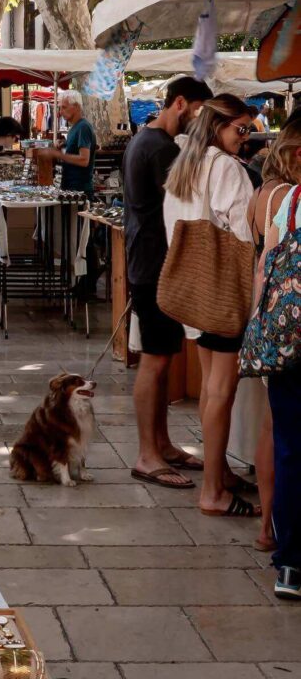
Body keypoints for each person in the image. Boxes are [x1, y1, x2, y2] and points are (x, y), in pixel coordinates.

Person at [163, 94, 258, 518]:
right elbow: (242, 234)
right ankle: (213, 492)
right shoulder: (227, 169)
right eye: (241, 129)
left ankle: (218, 474)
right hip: (225, 290)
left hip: (195, 289)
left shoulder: (186, 163)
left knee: (209, 389)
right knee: (222, 390)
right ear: (219, 126)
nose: (246, 138)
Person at [123, 76, 213, 490]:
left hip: (151, 262)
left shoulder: (147, 141)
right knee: (155, 360)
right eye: (199, 111)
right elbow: (182, 205)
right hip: (154, 265)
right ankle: (147, 454)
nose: (201, 122)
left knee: (161, 359)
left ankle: (161, 444)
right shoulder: (159, 148)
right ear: (181, 103)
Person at [243, 119, 301, 553]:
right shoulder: (287, 198)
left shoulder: (285, 201)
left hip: (283, 336)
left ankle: (283, 548)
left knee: (284, 441)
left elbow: (264, 266)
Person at [256, 178, 301, 598]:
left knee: (291, 450)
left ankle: (291, 562)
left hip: (289, 345)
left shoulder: (291, 199)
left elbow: (266, 266)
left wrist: (260, 334)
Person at [38, 91, 96, 197]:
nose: (60, 112)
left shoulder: (83, 127)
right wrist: (64, 144)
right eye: (60, 108)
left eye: (64, 107)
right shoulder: (74, 127)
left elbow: (84, 160)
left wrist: (59, 155)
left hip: (79, 190)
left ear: (76, 107)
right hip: (71, 188)